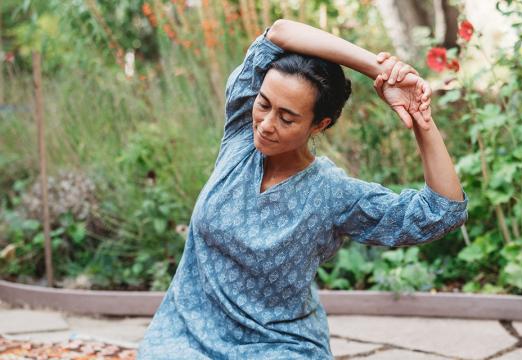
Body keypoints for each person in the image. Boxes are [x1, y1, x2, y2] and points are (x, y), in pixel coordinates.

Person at [137, 19, 468, 359]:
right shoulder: (240, 135)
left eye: (287, 117)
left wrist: (420, 119)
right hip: (187, 336)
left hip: (278, 346)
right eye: (264, 104)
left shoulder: (332, 193)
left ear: (319, 124)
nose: (265, 125)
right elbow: (279, 33)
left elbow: (441, 213)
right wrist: (379, 68)